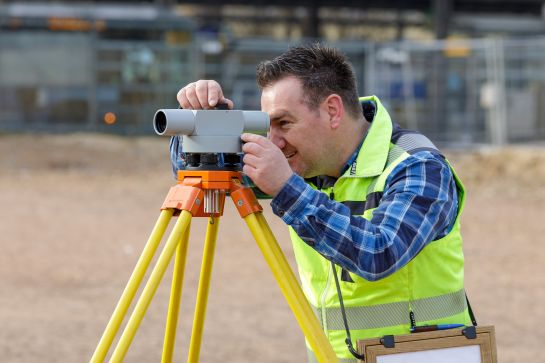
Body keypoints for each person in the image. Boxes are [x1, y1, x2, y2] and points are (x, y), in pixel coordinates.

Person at [171, 43, 473, 363]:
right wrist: (205, 122)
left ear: (332, 110)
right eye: (267, 125)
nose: (274, 141)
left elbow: (380, 253)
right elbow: (198, 169)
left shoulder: (417, 166)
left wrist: (287, 189)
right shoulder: (305, 163)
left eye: (284, 123)